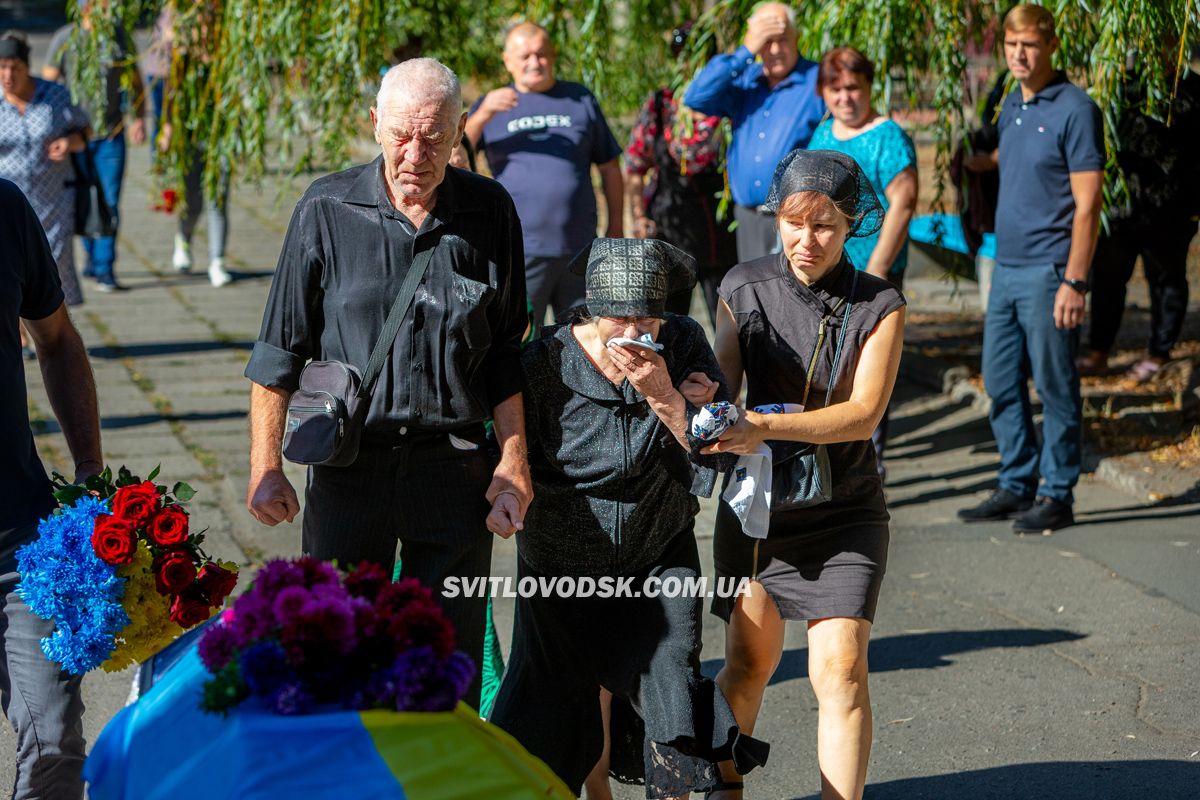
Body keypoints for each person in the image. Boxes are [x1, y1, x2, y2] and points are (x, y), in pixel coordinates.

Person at [244, 58, 531, 710]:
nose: (415, 153)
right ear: (374, 125)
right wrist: (266, 466)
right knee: (334, 655)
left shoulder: (490, 212)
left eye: (434, 137)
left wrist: (513, 461)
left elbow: (508, 352)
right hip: (351, 468)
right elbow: (277, 352)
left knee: (445, 667)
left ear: (460, 133)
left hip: (453, 471)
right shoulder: (325, 207)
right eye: (402, 133)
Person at [490, 238, 768, 800]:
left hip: (658, 549)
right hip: (562, 562)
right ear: (591, 308)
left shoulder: (683, 342)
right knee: (561, 701)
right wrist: (506, 491)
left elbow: (718, 440)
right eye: (620, 318)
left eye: (648, 318)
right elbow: (505, 447)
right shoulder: (544, 363)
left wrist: (666, 395)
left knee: (672, 682)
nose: (637, 334)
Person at [691, 150, 905, 800]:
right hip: (760, 509)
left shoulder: (880, 304)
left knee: (840, 670)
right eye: (793, 222)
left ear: (851, 229)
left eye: (825, 228)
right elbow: (722, 387)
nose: (805, 242)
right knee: (750, 664)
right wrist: (704, 402)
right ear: (776, 216)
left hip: (846, 507)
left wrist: (762, 425)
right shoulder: (743, 286)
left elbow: (863, 416)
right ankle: (724, 787)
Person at [958, 4, 1104, 533]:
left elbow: (1088, 204)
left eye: (1030, 45)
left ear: (1050, 47)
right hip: (1007, 265)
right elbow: (1020, 158)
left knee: (1056, 384)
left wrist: (1075, 280)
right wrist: (983, 163)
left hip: (1050, 271)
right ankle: (1017, 482)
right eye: (1011, 44)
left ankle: (1057, 492)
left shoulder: (1076, 109)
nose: (1019, 54)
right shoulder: (1012, 107)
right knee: (999, 380)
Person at [1, 177, 103, 799]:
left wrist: (90, 466)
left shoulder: (5, 209)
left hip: (20, 545)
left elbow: (57, 339)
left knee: (55, 742)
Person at [465, 21, 624, 326]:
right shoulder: (492, 105)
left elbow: (610, 166)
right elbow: (456, 155)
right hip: (518, 249)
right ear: (508, 61)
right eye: (524, 56)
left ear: (553, 55)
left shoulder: (578, 99)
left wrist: (615, 226)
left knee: (585, 342)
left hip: (579, 251)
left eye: (541, 54)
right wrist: (483, 114)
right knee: (520, 339)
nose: (534, 63)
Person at [807, 47, 917, 477]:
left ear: (869, 88)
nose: (845, 98)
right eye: (835, 89)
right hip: (827, 268)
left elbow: (904, 202)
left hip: (872, 272)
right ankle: (831, 455)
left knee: (869, 367)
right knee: (831, 363)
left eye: (853, 88)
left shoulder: (888, 135)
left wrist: (880, 268)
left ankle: (869, 463)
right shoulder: (824, 132)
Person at [1075, 64, 1200, 382]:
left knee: (1167, 280)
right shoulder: (1120, 84)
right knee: (1106, 278)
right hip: (1121, 206)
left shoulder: (1191, 89)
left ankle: (1159, 353)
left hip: (1170, 209)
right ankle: (1098, 351)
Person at [683, 2, 826, 263]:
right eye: (765, 41)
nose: (773, 50)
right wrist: (745, 50)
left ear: (796, 37)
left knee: (797, 299)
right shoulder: (745, 81)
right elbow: (696, 97)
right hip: (748, 218)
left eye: (781, 40)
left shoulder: (817, 81)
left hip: (799, 219)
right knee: (754, 298)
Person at [45, 4, 148, 292]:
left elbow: (136, 81)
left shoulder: (119, 37)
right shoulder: (65, 38)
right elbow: (48, 82)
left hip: (111, 134)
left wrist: (139, 118)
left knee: (110, 200)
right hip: (76, 136)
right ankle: (91, 257)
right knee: (84, 198)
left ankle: (105, 268)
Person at [0, 31, 90, 307]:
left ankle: (55, 336)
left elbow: (85, 130)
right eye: (2, 67)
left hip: (52, 202)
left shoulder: (54, 95)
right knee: (10, 268)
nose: (8, 75)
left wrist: (69, 142)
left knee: (53, 268)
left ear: (28, 68)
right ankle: (21, 337)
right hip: (6, 203)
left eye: (15, 68)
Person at [157, 3, 233, 287]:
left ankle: (217, 260)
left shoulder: (227, 58)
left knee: (219, 197)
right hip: (189, 137)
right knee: (193, 198)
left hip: (220, 137)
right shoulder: (183, 59)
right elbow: (171, 95)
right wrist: (166, 129)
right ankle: (183, 237)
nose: (204, 30)